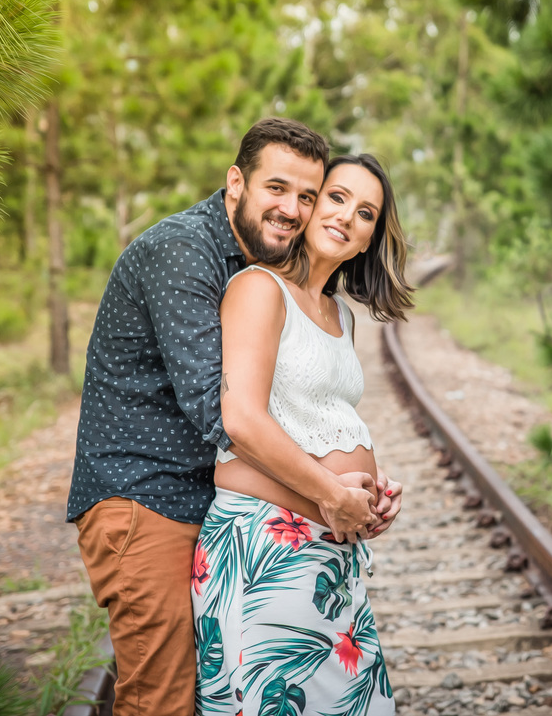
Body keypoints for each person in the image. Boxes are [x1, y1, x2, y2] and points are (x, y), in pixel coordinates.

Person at [66, 120, 404, 716]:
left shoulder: (271, 270)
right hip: (146, 500)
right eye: (277, 189)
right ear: (235, 183)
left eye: (307, 195)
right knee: (161, 700)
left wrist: (356, 499)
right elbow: (227, 419)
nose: (292, 209)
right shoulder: (186, 254)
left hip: (219, 505)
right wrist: (331, 496)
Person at [191, 154, 413, 715]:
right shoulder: (258, 288)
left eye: (366, 213)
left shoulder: (341, 315)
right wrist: (334, 492)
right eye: (336, 198)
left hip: (330, 554)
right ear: (309, 207)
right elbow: (240, 421)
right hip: (264, 548)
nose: (346, 217)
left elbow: (317, 415)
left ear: (368, 240)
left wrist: (369, 487)